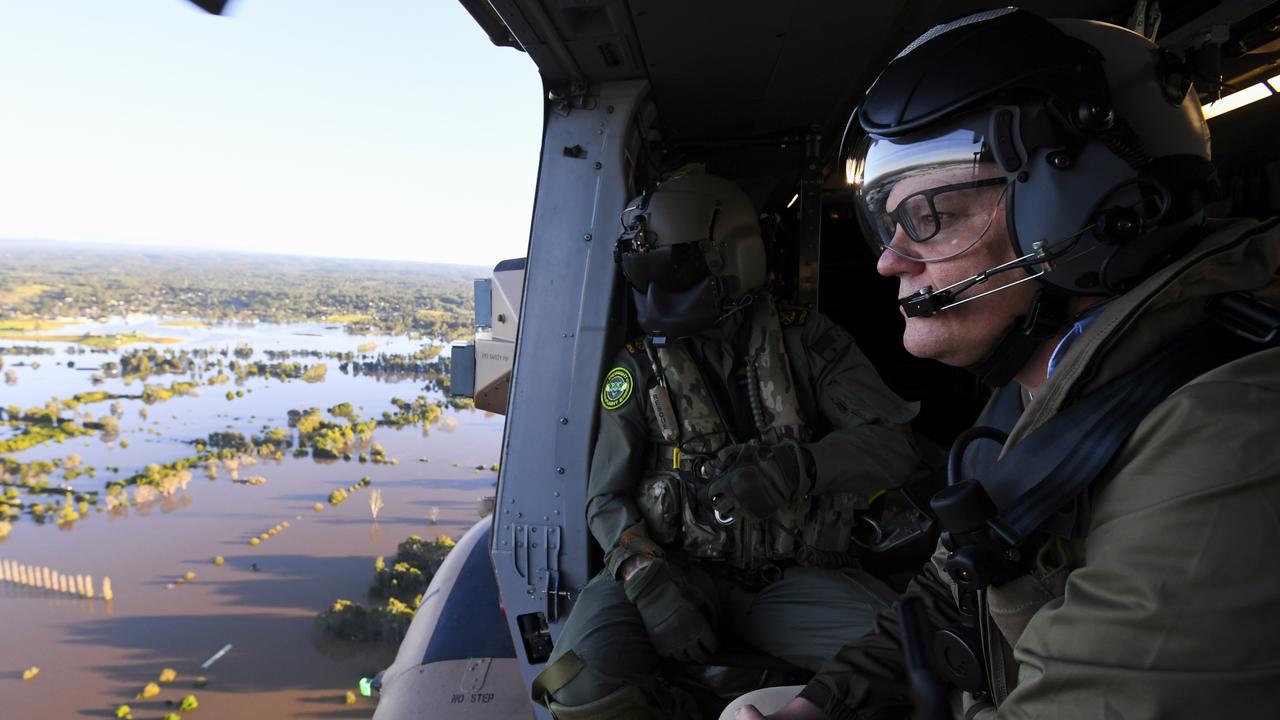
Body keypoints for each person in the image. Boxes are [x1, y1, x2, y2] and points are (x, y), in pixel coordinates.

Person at [732, 8, 1280, 720]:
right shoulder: (1052, 386)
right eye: (890, 224)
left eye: (932, 216)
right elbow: (948, 591)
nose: (890, 259)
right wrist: (819, 705)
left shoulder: (1227, 429)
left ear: (1078, 213)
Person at [530, 171, 930, 719]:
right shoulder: (638, 370)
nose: (659, 292)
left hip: (790, 575)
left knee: (926, 654)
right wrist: (646, 581)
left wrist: (796, 469)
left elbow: (895, 446)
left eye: (675, 270)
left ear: (731, 260)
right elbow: (606, 499)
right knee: (575, 688)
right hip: (677, 569)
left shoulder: (809, 342)